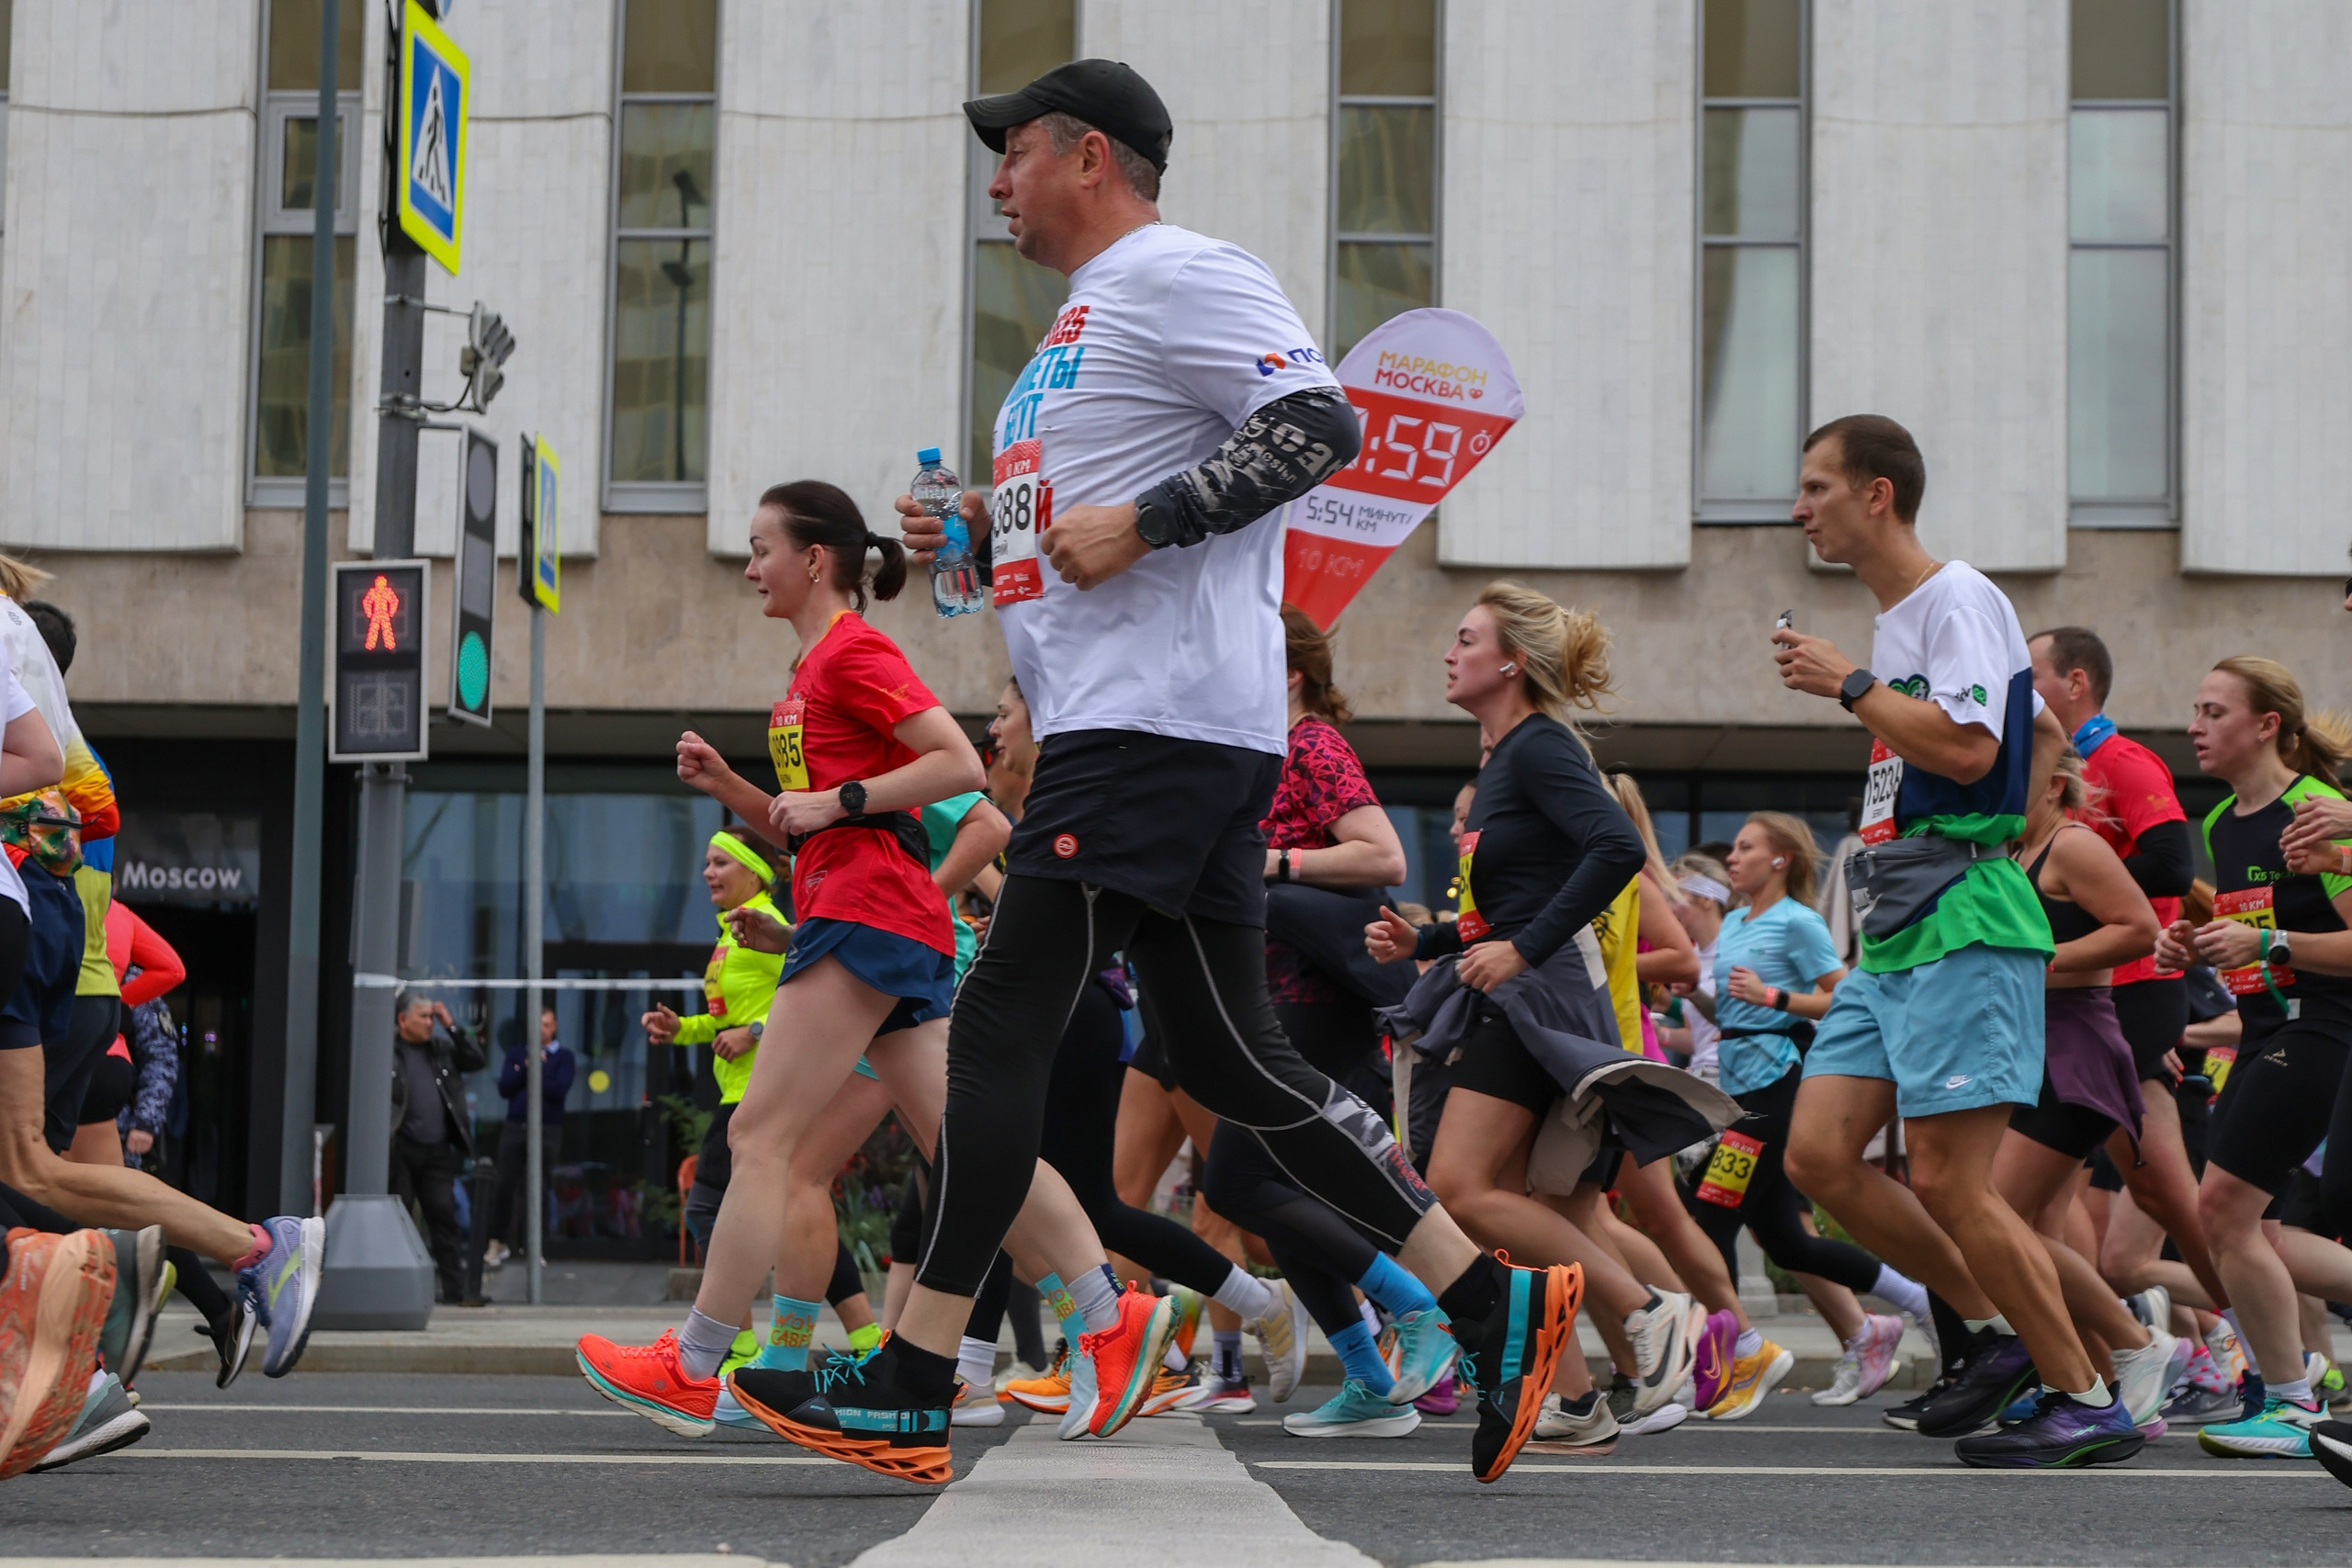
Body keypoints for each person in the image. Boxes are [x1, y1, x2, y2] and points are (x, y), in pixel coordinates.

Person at [884, 60, 1580, 1487]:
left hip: (1152, 729)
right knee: (1229, 1061)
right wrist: (959, 531)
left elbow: (1322, 424)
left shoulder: (1180, 271)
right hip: (1145, 728)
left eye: (1013, 156)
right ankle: (1492, 1303)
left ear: (1092, 157)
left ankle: (904, 1377)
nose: (998, 185)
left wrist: (1147, 517)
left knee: (998, 1031)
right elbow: (1043, 546)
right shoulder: (1069, 335)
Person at [579, 481, 1164, 1485]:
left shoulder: (854, 650)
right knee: (968, 1147)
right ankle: (1112, 1314)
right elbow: (813, 821)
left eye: (761, 546)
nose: (749, 564)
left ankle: (695, 1361)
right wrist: (734, 789)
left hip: (864, 916)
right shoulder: (812, 666)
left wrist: (836, 799)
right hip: (869, 911)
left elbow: (955, 771)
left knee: (761, 1136)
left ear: (817, 559)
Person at [1770, 413, 2138, 1468]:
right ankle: (1996, 1331)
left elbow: (1975, 757)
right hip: (1897, 929)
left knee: (1947, 1181)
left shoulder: (1956, 598)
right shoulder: (1898, 626)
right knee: (1819, 1159)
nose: (1799, 510)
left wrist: (1848, 685)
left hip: (1966, 923)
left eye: (1816, 489)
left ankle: (2082, 1389)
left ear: (1875, 493)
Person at [1369, 584, 1733, 1459]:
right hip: (1520, 983)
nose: (1449, 654)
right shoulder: (1501, 762)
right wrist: (1421, 935)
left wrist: (1523, 950)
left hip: (1535, 995)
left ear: (1511, 663)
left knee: (1459, 1186)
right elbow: (1514, 896)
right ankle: (1575, 1401)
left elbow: (1614, 847)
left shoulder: (1537, 746)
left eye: (1465, 640)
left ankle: (1652, 1312)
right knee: (1533, 1207)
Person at [959, 676, 1310, 1430]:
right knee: (1074, 1198)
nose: (993, 728)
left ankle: (981, 1366)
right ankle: (1227, 1307)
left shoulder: (1069, 788)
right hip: (1067, 1007)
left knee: (992, 1166)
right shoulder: (1033, 805)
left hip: (1080, 1008)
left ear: (1042, 720)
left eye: (1003, 711)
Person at [0, 564, 319, 1384]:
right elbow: (86, 799)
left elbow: (44, 772)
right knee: (37, 1172)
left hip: (36, 926)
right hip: (57, 935)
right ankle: (237, 1253)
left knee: (31, 1176)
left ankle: (83, 1349)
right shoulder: (25, 641)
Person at [1199, 610, 1457, 1438]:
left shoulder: (1313, 744)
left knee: (1239, 1183)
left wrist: (1271, 861)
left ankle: (1417, 1307)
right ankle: (1370, 1380)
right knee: (1278, 1189)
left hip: (1318, 1002)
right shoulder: (1261, 754)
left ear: (1291, 671)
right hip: (1273, 999)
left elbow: (1385, 856)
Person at [2155, 657, 2352, 1459]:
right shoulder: (2221, 822)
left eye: (2213, 711)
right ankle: (2294, 1398)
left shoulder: (2320, 810)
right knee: (2251, 1229)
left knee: (2225, 1210)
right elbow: (2253, 942)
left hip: (2325, 1024)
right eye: (2194, 710)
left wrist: (2268, 940)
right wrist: (2194, 946)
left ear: (2267, 724)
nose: (2195, 726)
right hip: (2264, 1029)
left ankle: (2295, 1402)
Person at [1681, 811, 1921, 1410]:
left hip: (1776, 1087)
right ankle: (1904, 1309)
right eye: (1733, 847)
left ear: (1781, 859)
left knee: (1706, 1220)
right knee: (1785, 1242)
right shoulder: (1735, 920)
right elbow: (1736, 1017)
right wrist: (1700, 998)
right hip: (1737, 1086)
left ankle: (1732, 1363)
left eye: (1745, 847)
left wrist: (1775, 996)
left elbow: (1842, 992)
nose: (1732, 857)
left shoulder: (1798, 921)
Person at [2027, 626, 2230, 1322]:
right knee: (2064, 1201)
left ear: (2075, 682)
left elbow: (2174, 866)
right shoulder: (2036, 770)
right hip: (2081, 1000)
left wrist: (2075, 883)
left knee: (2162, 1192)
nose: (2017, 691)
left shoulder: (2125, 760)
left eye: (2031, 676)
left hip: (2135, 990)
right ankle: (2087, 1353)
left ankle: (2256, 1335)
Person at [1989, 750, 2180, 1429]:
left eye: (2009, 769)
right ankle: (2093, 1381)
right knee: (2028, 1228)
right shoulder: (2018, 851)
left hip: (2074, 1051)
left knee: (1996, 1220)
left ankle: (2140, 1344)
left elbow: (2139, 928)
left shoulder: (2074, 844)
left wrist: (2033, 963)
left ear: (2052, 780)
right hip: (2032, 1050)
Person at [389, 993, 487, 1305]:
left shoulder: (442, 1049)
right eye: (423, 1017)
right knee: (399, 1220)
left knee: (444, 1218)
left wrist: (452, 1025)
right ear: (402, 1020)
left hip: (437, 1149)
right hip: (401, 1146)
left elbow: (476, 1059)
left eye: (432, 1018)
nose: (430, 1024)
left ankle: (456, 1291)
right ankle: (398, 1292)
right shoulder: (388, 1051)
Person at [486, 1008, 575, 1275]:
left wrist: (540, 1068)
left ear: (555, 1026)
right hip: (516, 1127)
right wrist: (527, 1066)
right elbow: (505, 1088)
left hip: (547, 1129)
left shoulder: (564, 1057)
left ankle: (534, 1247)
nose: (542, 1030)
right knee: (504, 1185)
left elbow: (558, 1091)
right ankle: (497, 1242)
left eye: (547, 1025)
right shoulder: (516, 1053)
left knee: (540, 1187)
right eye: (538, 1025)